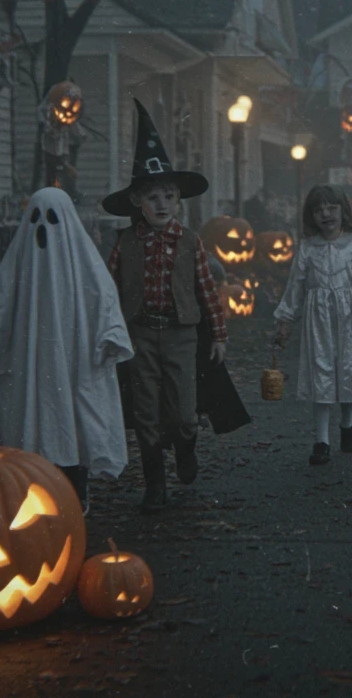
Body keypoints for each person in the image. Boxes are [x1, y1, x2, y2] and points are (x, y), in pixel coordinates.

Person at [0, 188, 134, 514]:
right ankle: (34, 490)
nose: (43, 228)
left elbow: (104, 299)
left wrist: (112, 334)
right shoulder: (18, 263)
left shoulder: (85, 263)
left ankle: (76, 488)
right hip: (30, 361)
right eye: (36, 219)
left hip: (77, 358)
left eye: (52, 219)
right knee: (35, 420)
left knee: (75, 421)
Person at [103, 99, 229, 513]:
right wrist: (107, 331)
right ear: (138, 200)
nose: (161, 204)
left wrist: (220, 334)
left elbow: (206, 289)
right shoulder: (125, 243)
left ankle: (187, 448)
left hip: (179, 334)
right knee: (145, 412)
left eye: (169, 197)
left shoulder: (190, 241)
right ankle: (155, 482)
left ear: (178, 201)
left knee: (184, 410)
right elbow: (107, 289)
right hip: (139, 332)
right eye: (153, 196)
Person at [274, 185, 352, 465]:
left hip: (349, 319)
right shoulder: (307, 249)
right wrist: (285, 323)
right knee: (322, 374)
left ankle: (347, 423)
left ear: (344, 211)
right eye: (318, 210)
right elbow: (295, 288)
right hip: (318, 321)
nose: (326, 214)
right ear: (311, 216)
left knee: (348, 369)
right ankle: (321, 439)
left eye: (332, 208)